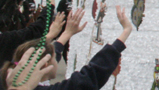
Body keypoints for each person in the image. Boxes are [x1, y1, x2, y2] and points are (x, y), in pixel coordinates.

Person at [1, 5, 132, 90]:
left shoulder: (11, 78)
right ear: (46, 65)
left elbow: (55, 50)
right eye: (54, 58)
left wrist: (66, 33)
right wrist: (125, 33)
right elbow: (87, 79)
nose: (57, 58)